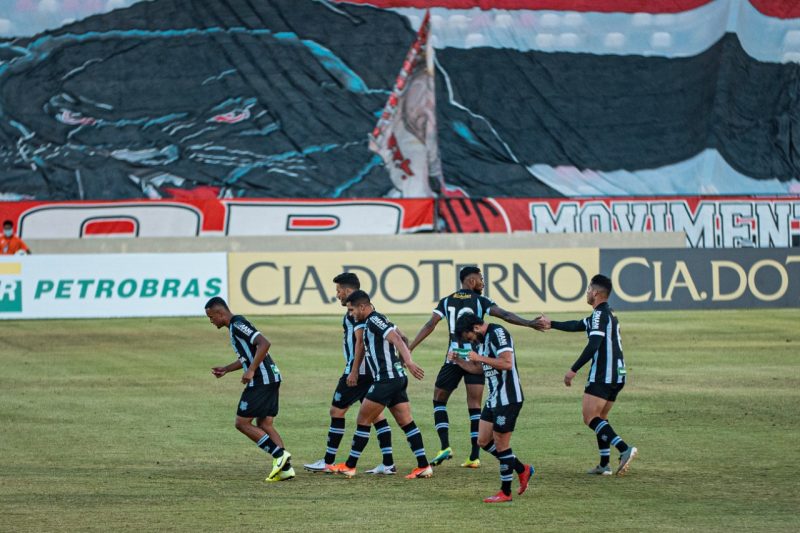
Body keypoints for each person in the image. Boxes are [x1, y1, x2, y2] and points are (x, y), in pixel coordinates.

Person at [408, 265, 536, 469]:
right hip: (477, 357)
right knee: (474, 404)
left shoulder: (447, 300)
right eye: (481, 279)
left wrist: (410, 348)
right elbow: (505, 315)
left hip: (454, 356)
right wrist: (528, 323)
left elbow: (430, 325)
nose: (483, 283)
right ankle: (474, 457)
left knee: (439, 399)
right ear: (471, 280)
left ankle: (445, 446)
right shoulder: (481, 301)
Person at [534, 274, 638, 476]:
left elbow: (594, 344)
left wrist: (573, 369)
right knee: (601, 418)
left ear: (597, 293)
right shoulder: (607, 313)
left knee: (589, 417)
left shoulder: (600, 315)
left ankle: (624, 448)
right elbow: (577, 325)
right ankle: (604, 464)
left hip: (603, 374)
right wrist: (552, 323)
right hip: (618, 373)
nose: (587, 292)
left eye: (589, 289)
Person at [330, 290, 432, 479]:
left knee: (363, 419)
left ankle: (350, 466)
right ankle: (423, 465)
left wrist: (408, 361)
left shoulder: (375, 320)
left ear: (362, 306)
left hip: (387, 379)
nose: (351, 314)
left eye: (352, 310)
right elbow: (395, 338)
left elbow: (397, 338)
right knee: (405, 422)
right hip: (396, 378)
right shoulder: (371, 321)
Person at [304, 273, 396, 475]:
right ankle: (388, 462)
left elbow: (360, 341)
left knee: (337, 411)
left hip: (359, 371)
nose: (337, 295)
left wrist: (353, 370)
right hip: (370, 371)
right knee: (376, 415)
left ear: (347, 291)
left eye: (338, 291)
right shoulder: (364, 308)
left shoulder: (355, 312)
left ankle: (328, 461)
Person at [205, 296, 294, 482]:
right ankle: (285, 469)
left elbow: (264, 343)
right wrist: (227, 369)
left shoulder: (238, 323)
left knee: (242, 423)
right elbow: (248, 355)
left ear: (220, 313)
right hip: (270, 377)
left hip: (262, 379)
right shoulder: (233, 327)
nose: (211, 321)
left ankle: (279, 455)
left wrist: (252, 370)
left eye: (211, 317)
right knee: (265, 424)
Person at [450, 314, 534, 503]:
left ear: (476, 327)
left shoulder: (498, 333)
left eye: (469, 337)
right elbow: (480, 369)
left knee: (502, 445)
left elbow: (506, 363)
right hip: (494, 398)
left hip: (509, 398)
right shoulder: (481, 340)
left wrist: (478, 357)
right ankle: (522, 469)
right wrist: (459, 361)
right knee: (483, 441)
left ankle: (506, 492)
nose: (470, 341)